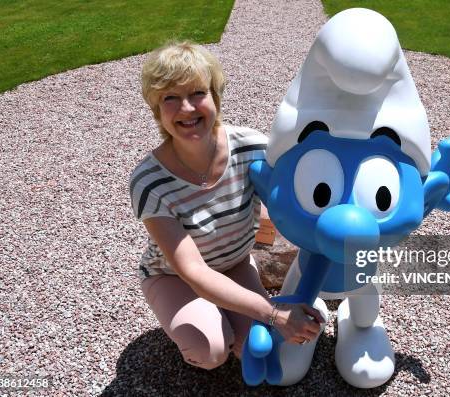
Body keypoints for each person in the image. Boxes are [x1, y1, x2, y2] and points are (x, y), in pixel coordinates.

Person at [128, 41, 324, 370]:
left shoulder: (253, 148)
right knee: (212, 350)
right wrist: (274, 313)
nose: (187, 108)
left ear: (215, 97)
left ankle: (222, 312)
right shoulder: (150, 181)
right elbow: (193, 271)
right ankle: (200, 319)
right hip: (172, 277)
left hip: (233, 264)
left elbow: (303, 188)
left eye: (197, 93)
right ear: (157, 109)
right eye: (170, 98)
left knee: (257, 346)